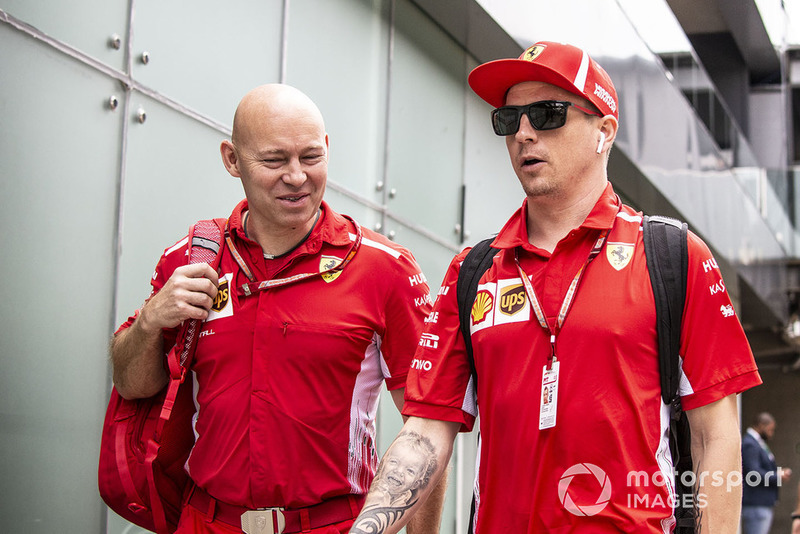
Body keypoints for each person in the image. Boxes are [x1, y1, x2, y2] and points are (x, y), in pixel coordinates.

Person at [349, 41, 763, 534]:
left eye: (547, 114)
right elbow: (424, 434)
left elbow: (715, 437)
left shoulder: (673, 256)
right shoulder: (473, 270)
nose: (523, 133)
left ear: (603, 132)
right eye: (509, 119)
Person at [111, 83, 446, 534]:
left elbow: (426, 430)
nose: (296, 176)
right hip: (205, 521)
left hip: (334, 525)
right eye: (274, 160)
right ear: (232, 159)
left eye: (311, 157)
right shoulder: (190, 259)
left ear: (327, 149)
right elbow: (132, 385)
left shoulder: (382, 268)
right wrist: (151, 320)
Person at [741, 412, 793, 534]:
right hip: (756, 503)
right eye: (770, 430)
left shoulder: (757, 443)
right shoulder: (750, 444)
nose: (771, 434)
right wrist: (778, 476)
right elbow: (754, 474)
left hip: (761, 504)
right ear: (761, 425)